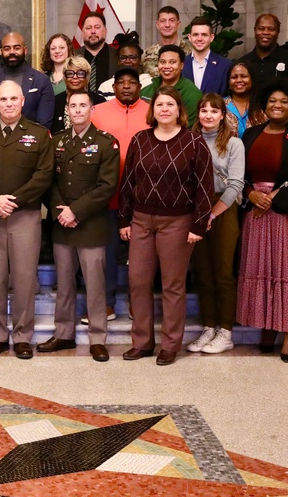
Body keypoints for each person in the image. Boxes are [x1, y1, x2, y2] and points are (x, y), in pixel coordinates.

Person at [119, 86, 213, 366]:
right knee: (137, 281)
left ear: (179, 110)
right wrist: (124, 219)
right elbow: (127, 182)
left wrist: (198, 225)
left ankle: (170, 344)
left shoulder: (193, 142)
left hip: (178, 222)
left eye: (170, 104)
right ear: (153, 110)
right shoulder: (139, 140)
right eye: (159, 104)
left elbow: (205, 187)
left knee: (173, 285)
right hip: (141, 220)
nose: (164, 109)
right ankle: (142, 343)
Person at [236, 78, 288, 362]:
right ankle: (267, 326)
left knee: (287, 271)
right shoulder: (250, 134)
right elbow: (240, 171)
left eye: (284, 102)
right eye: (272, 101)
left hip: (287, 211)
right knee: (261, 268)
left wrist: (273, 198)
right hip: (256, 210)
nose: (277, 105)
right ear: (265, 105)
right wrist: (250, 193)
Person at [0, 80, 54, 360]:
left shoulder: (39, 135)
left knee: (24, 279)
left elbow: (43, 176)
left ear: (22, 101)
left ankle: (21, 336)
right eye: (3, 99)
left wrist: (12, 201)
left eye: (13, 99)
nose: (8, 104)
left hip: (25, 216)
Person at [41, 90, 120, 362]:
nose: (77, 110)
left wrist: (75, 211)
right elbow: (48, 181)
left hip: (90, 224)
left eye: (82, 105)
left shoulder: (106, 143)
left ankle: (97, 338)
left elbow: (107, 187)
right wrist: (59, 210)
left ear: (92, 110)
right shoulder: (58, 141)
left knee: (95, 285)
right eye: (73, 105)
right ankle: (63, 333)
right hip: (62, 224)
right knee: (64, 284)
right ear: (67, 110)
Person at [186, 93, 244, 355]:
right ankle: (208, 326)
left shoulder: (233, 144)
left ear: (223, 115)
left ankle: (225, 330)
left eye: (214, 111)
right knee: (203, 271)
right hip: (195, 207)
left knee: (223, 271)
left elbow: (235, 184)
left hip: (223, 208)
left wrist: (210, 215)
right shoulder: (188, 141)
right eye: (203, 110)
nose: (207, 115)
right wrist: (198, 213)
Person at [91, 67, 150, 322]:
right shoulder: (99, 112)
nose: (126, 86)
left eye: (132, 82)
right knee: (109, 253)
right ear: (113, 87)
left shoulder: (151, 110)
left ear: (140, 87)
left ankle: (138, 304)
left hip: (143, 196)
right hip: (109, 194)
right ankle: (107, 302)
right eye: (121, 82)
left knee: (141, 256)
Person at [0, 32, 55, 126]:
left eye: (17, 48)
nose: (12, 52)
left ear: (25, 50)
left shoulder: (42, 80)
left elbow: (44, 124)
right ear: (1, 51)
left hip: (32, 138)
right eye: (7, 49)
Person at [140, 44, 202, 119]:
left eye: (172, 62)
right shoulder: (146, 91)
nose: (166, 66)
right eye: (162, 62)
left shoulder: (191, 94)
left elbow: (190, 126)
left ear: (181, 65)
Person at [50, 55, 105, 133]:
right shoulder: (55, 101)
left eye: (80, 73)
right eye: (70, 73)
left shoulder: (99, 101)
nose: (75, 77)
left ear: (87, 77)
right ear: (65, 77)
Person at [235, 13, 288, 81]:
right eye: (261, 29)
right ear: (255, 31)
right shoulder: (244, 62)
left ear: (278, 32)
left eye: (271, 29)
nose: (266, 32)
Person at [182, 17, 230, 96]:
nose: (199, 39)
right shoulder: (181, 64)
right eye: (195, 35)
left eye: (204, 35)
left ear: (211, 37)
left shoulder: (225, 65)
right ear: (189, 37)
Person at [140, 6, 191, 76]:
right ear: (157, 25)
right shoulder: (146, 55)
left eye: (172, 20)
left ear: (178, 24)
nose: (167, 25)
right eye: (163, 21)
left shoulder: (191, 53)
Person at [77, 12, 119, 92]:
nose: (93, 31)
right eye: (88, 28)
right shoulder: (73, 56)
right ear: (82, 33)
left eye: (97, 27)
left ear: (105, 31)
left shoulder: (117, 56)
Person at [223, 61, 266, 138]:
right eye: (234, 77)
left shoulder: (263, 106)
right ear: (228, 82)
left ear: (252, 80)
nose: (239, 80)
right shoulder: (219, 105)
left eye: (244, 76)